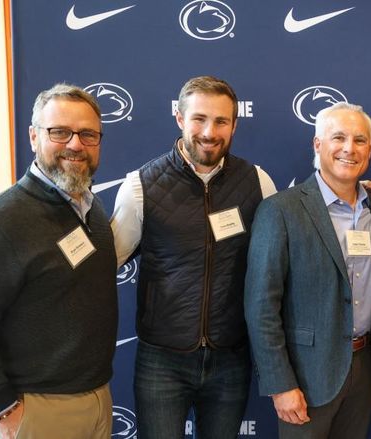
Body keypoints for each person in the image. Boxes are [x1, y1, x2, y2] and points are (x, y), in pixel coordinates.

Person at [110, 76, 276, 439]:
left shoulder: (258, 182)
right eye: (199, 118)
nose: (209, 131)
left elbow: (281, 257)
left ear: (234, 125)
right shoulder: (140, 186)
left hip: (231, 357)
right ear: (180, 118)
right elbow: (105, 265)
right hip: (162, 360)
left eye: (221, 121)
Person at [0, 83, 117, 438]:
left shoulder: (91, 208)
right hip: (36, 409)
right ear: (33, 137)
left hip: (97, 400)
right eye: (60, 132)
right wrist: (0, 405)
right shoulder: (1, 221)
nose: (75, 144)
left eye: (88, 134)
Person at [244, 102, 371, 438]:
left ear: (370, 150)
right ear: (318, 145)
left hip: (365, 368)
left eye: (359, 140)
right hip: (305, 375)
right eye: (338, 138)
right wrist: (280, 385)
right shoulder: (281, 210)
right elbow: (261, 305)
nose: (349, 148)